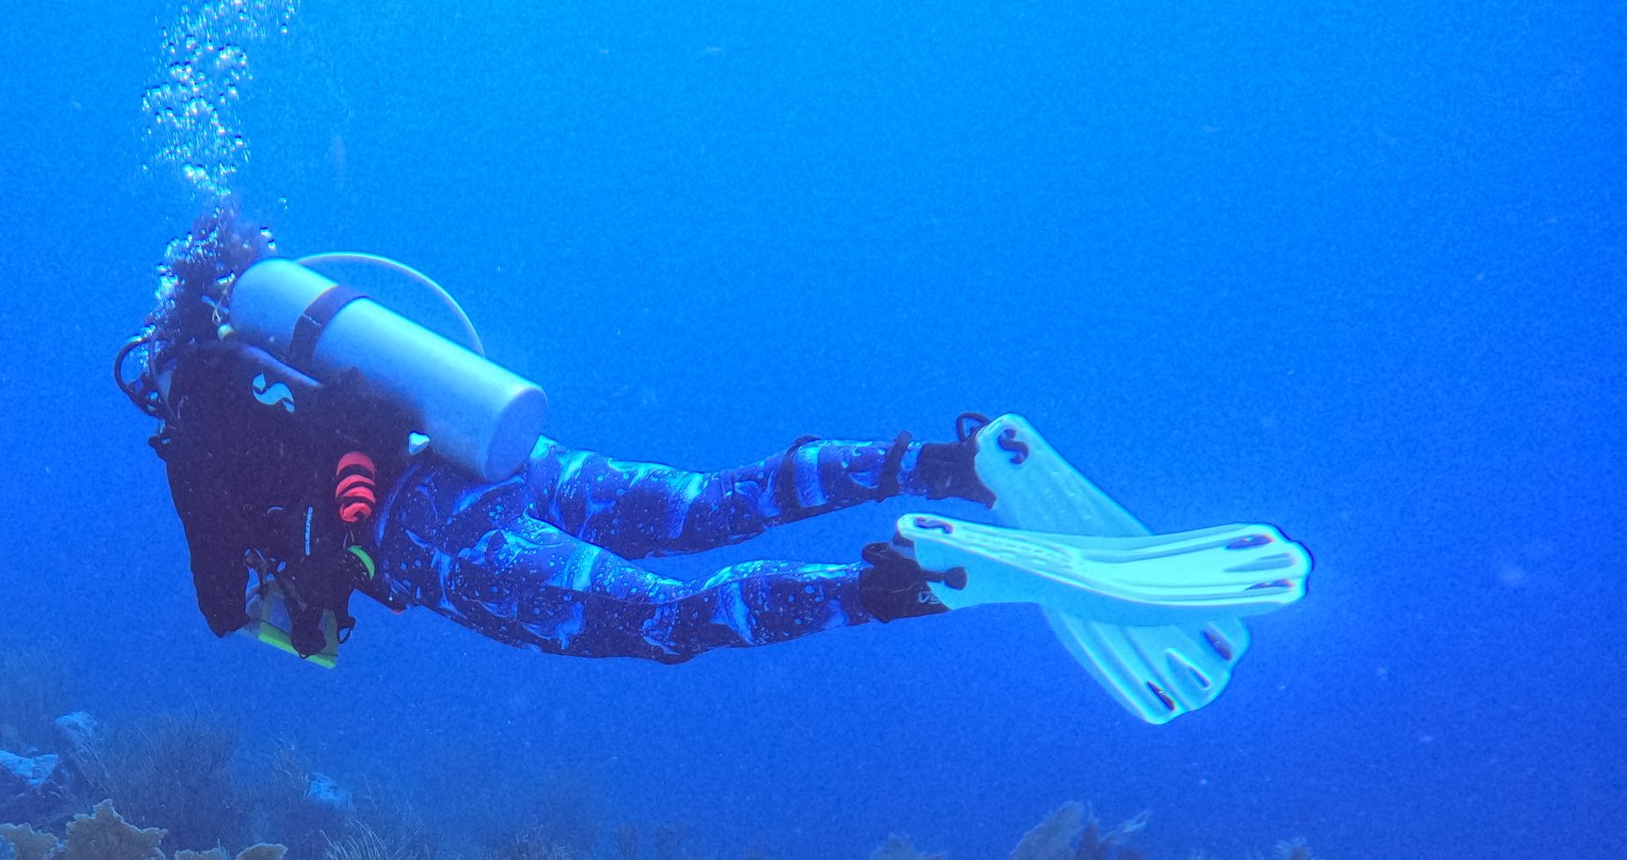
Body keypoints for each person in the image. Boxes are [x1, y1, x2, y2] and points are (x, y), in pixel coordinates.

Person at [116, 213, 1308, 715]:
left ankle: (911, 581)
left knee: (678, 618)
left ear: (164, 355)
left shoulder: (203, 423)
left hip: (437, 539)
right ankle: (939, 461)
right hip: (499, 461)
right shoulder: (294, 354)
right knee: (703, 507)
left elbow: (227, 608)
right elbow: (375, 418)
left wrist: (298, 594)